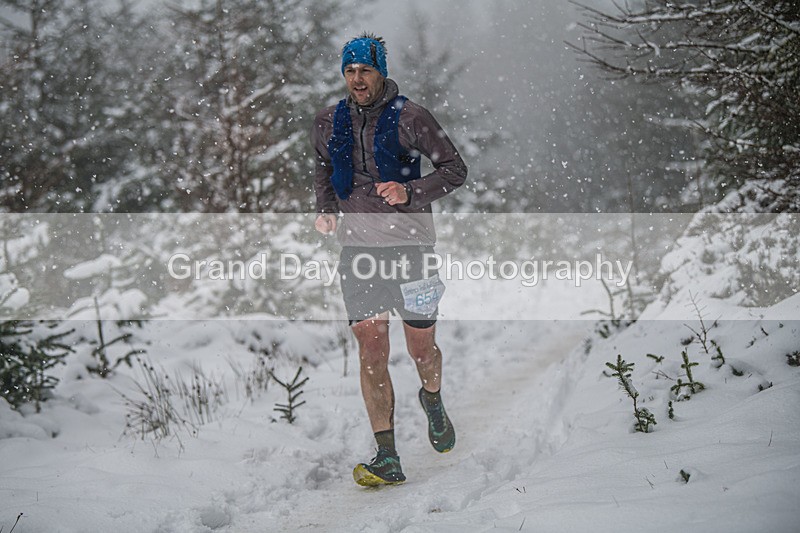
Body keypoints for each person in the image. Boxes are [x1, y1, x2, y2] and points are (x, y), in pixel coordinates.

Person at [311, 32, 468, 486]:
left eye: (365, 70)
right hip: (358, 253)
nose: (357, 79)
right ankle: (387, 456)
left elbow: (455, 170)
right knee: (372, 350)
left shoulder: (412, 117)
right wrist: (326, 209)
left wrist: (410, 191)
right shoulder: (328, 122)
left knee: (422, 349)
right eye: (349, 71)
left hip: (412, 251)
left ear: (381, 71)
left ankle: (432, 397)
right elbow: (323, 167)